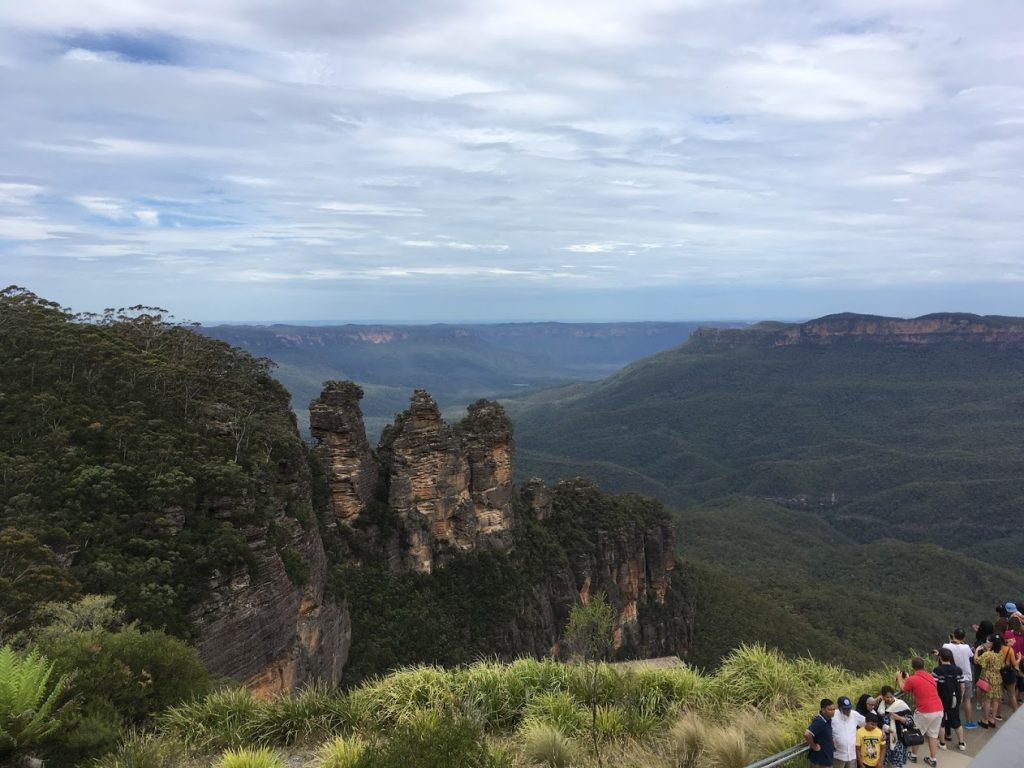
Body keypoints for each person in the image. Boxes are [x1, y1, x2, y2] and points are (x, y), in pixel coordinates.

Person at [898, 659, 943, 767]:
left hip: (924, 711)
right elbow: (920, 685)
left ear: (913, 667)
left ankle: (913, 755)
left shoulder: (912, 679)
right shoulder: (930, 676)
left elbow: (903, 688)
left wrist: (900, 678)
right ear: (923, 666)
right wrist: (909, 678)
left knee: (916, 733)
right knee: (933, 735)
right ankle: (933, 759)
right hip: (938, 709)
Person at [933, 647, 966, 751]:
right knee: (956, 721)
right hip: (954, 698)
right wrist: (960, 697)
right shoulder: (957, 669)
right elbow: (962, 685)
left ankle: (942, 744)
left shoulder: (937, 670)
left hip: (941, 699)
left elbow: (934, 685)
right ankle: (961, 743)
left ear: (940, 657)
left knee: (941, 721)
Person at [942, 628, 976, 729]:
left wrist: (950, 640)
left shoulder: (946, 645)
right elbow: (971, 656)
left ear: (953, 635)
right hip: (966, 676)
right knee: (967, 700)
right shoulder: (966, 647)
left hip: (952, 676)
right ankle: (968, 722)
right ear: (964, 638)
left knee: (951, 700)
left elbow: (945, 653)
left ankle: (952, 723)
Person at [974, 635, 1006, 728]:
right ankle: (993, 719)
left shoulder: (988, 654)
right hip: (997, 677)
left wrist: (977, 651)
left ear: (991, 644)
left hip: (987, 678)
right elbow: (1002, 665)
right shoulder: (1000, 653)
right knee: (995, 700)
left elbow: (977, 661)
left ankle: (985, 720)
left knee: (987, 701)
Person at [877, 686, 911, 768]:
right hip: (885, 739)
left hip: (898, 740)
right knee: (885, 763)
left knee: (898, 764)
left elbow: (910, 722)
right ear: (883, 696)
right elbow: (878, 722)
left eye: (891, 697)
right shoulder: (880, 707)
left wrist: (899, 718)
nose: (889, 699)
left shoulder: (901, 705)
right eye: (887, 697)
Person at [833, 695, 866, 768]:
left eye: (849, 708)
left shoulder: (854, 714)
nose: (848, 711)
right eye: (845, 709)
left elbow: (867, 723)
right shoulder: (833, 715)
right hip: (838, 755)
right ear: (839, 708)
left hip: (852, 755)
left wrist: (882, 730)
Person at [805, 699, 836, 768]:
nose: (833, 712)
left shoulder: (828, 720)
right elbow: (807, 734)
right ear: (823, 710)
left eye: (834, 709)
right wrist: (814, 746)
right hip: (820, 761)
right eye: (830, 710)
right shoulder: (819, 721)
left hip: (826, 759)